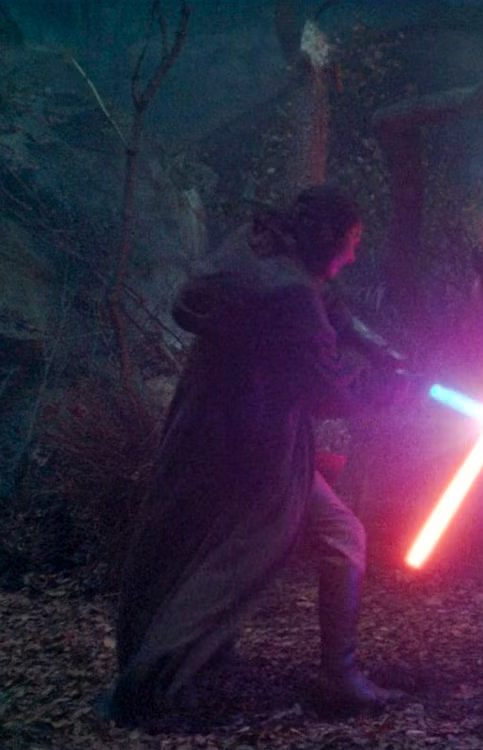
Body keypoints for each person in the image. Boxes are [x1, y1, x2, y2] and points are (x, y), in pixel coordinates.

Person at [106, 186, 410, 726]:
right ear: (328, 237)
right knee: (232, 565)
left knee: (196, 551)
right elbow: (328, 393)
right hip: (256, 456)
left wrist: (377, 346)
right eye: (352, 241)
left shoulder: (258, 248)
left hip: (205, 432)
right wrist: (389, 390)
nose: (353, 255)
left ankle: (192, 666)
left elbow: (325, 306)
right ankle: (155, 684)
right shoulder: (290, 296)